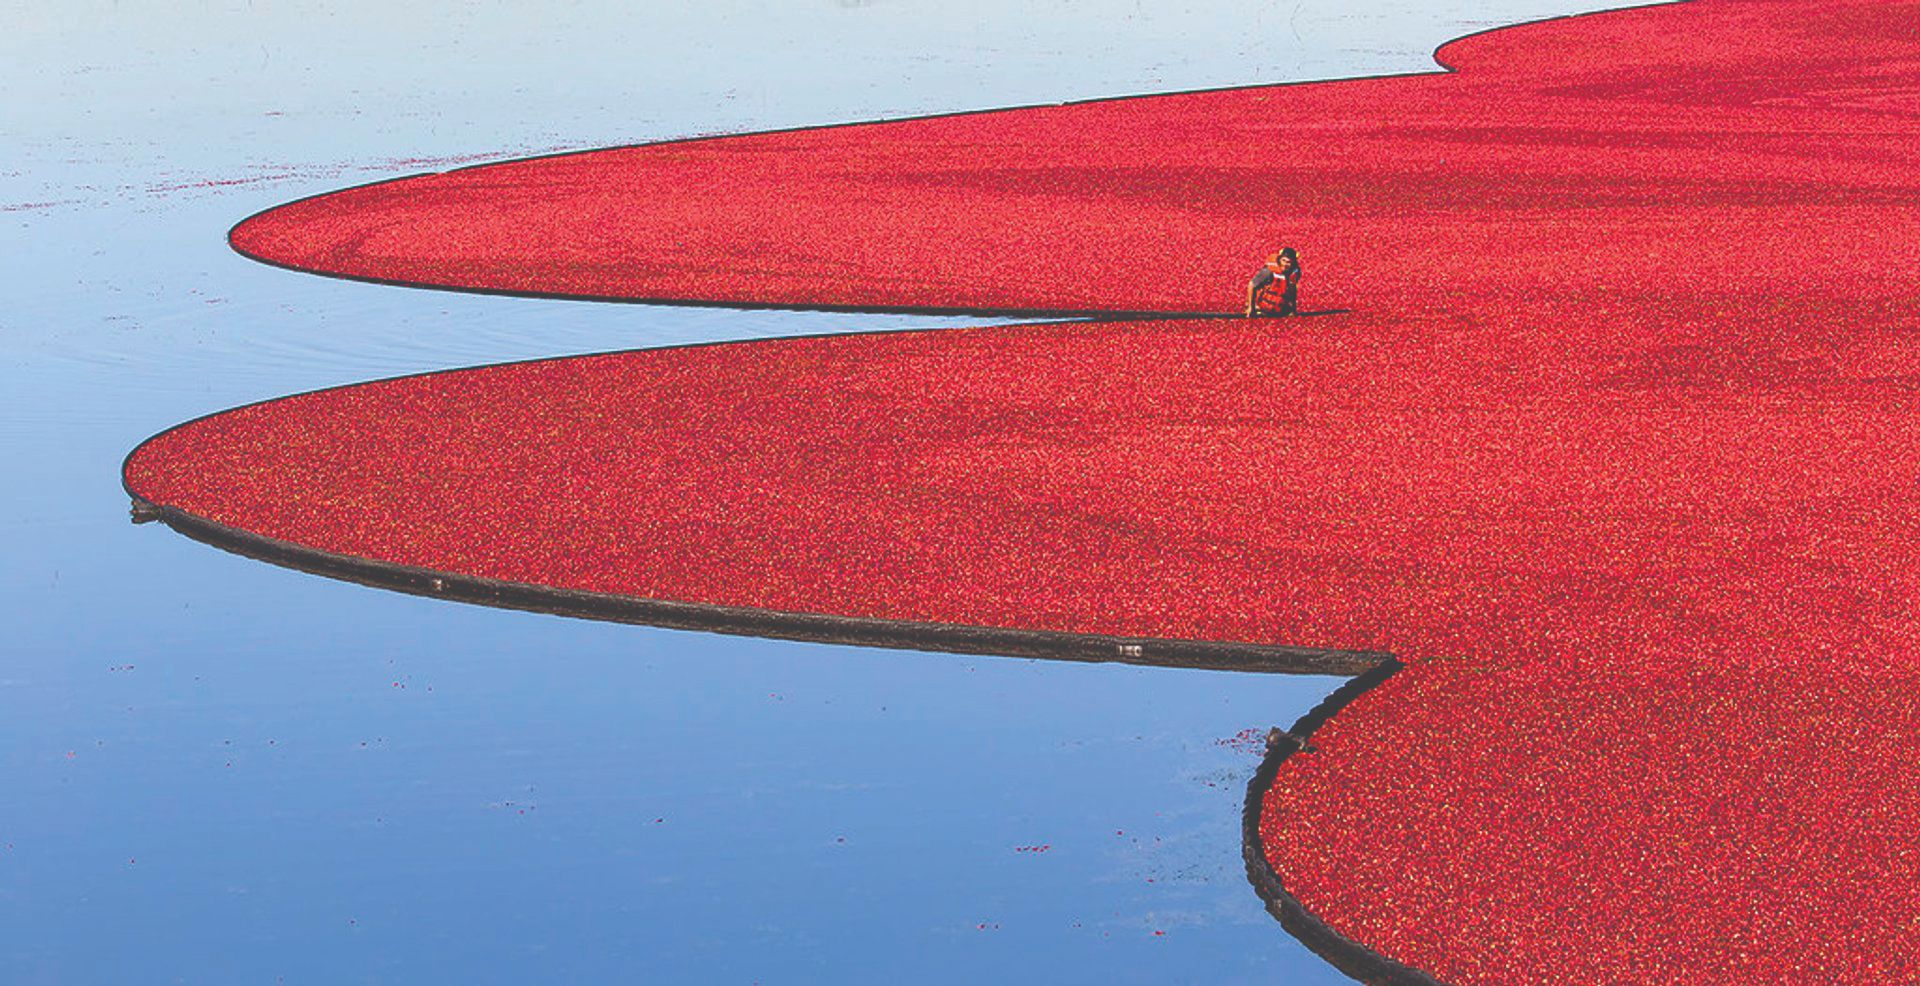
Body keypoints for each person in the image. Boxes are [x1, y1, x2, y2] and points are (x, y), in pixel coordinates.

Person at [1246, 247, 1302, 318]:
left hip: (1279, 308)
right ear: (1279, 260)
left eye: (1289, 262)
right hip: (1261, 307)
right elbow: (1252, 285)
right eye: (1283, 261)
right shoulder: (1268, 272)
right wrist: (1251, 307)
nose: (1285, 264)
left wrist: (1293, 310)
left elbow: (1293, 290)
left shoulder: (1294, 273)